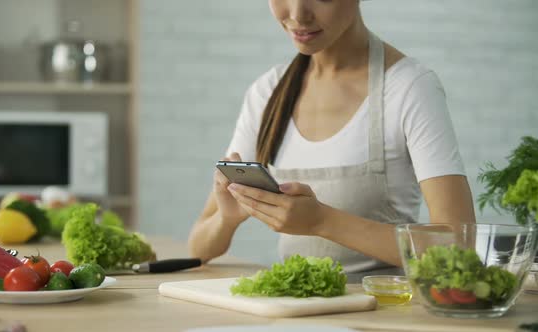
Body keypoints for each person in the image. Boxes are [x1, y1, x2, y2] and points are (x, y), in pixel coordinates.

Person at [188, 0, 476, 281]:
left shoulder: (409, 88)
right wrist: (228, 218)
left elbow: (458, 248)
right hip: (297, 314)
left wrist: (320, 221)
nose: (298, 14)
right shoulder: (267, 94)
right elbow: (198, 247)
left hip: (386, 313)